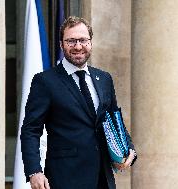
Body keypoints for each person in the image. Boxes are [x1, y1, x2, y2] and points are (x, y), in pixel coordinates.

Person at [20, 16, 137, 189]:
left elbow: (114, 120)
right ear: (61, 44)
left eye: (83, 40)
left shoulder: (104, 78)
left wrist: (129, 150)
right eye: (71, 41)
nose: (78, 46)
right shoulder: (45, 81)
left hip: (103, 178)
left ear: (90, 42)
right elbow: (31, 129)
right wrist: (34, 171)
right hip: (64, 178)